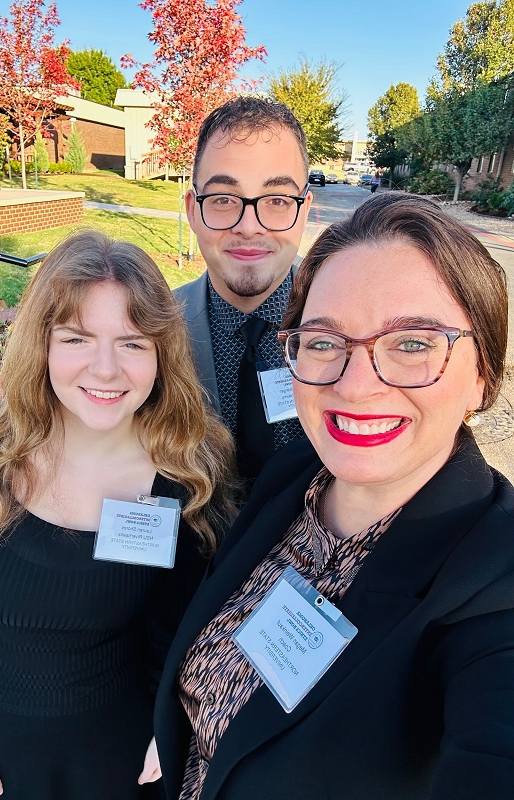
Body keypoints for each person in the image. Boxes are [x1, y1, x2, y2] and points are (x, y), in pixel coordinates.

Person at [152, 193, 514, 799]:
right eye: (323, 342)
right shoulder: (292, 477)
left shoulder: (492, 587)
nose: (357, 384)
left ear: (483, 375)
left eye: (414, 343)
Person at [0, 230, 235, 800]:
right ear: (42, 344)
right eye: (78, 338)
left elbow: (174, 629)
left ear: (163, 355)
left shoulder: (181, 478)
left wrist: (170, 728)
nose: (106, 369)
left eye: (134, 343)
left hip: (116, 762)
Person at [176, 97, 313, 485]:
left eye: (277, 200)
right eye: (223, 199)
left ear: (303, 210)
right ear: (192, 208)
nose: (249, 226)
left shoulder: (355, 326)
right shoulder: (150, 327)